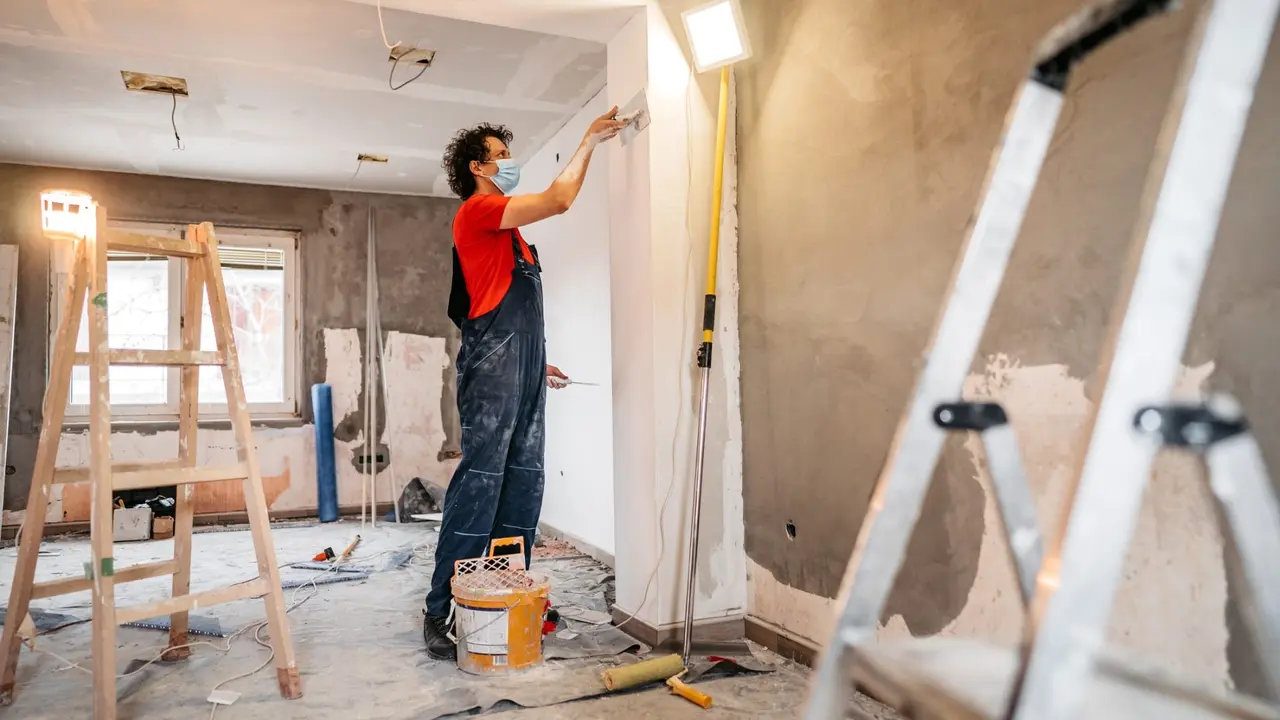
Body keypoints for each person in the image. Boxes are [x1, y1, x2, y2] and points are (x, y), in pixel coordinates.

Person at [424, 108, 627, 660]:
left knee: (522, 482)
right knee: (481, 483)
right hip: (492, 370)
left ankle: (507, 595)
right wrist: (588, 141)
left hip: (521, 366)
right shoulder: (478, 211)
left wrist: (539, 362)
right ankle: (442, 607)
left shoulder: (513, 238)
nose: (510, 163)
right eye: (502, 156)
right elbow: (560, 200)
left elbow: (512, 312)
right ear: (477, 167)